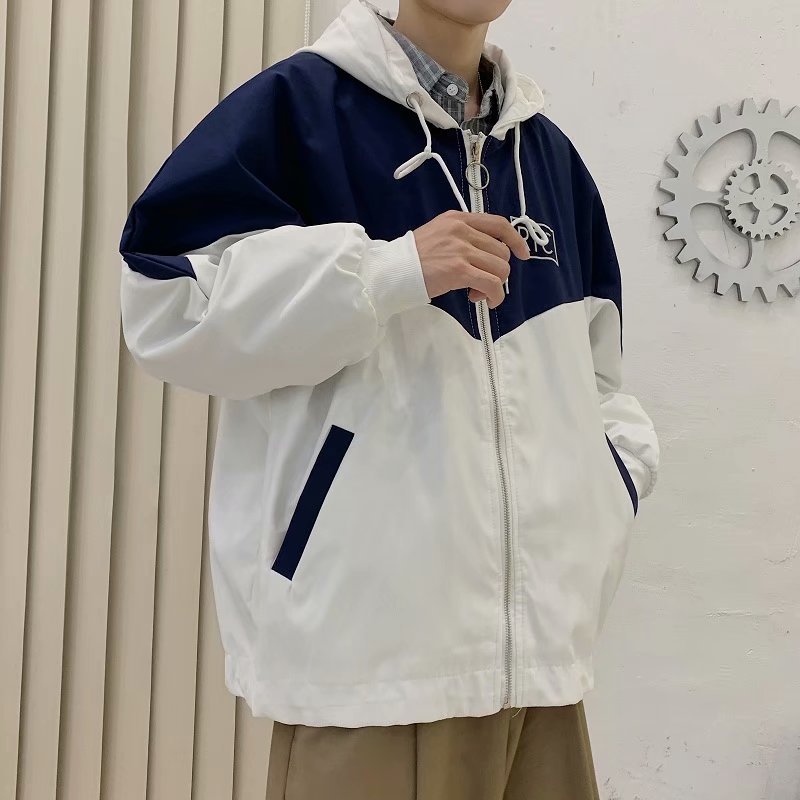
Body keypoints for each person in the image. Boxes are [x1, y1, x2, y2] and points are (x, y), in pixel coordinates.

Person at [118, 0, 660, 796]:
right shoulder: (296, 112)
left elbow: (598, 378)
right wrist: (390, 270)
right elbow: (163, 308)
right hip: (367, 677)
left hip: (543, 674)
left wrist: (610, 485)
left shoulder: (549, 158)